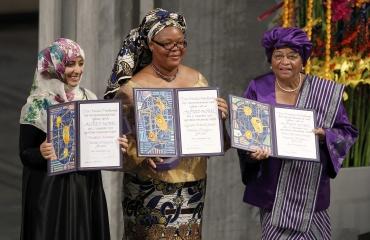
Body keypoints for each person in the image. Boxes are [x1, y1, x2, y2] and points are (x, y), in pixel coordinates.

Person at [104, 8, 229, 240]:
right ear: (151, 44)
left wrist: (220, 119)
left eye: (181, 43)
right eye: (168, 43)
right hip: (148, 186)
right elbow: (115, 141)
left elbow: (217, 141)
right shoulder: (132, 88)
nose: (176, 49)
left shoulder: (198, 80)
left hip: (192, 185)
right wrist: (140, 153)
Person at [237, 27, 358, 239]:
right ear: (270, 59)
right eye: (278, 56)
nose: (285, 62)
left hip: (310, 193)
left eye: (292, 56)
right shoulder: (257, 87)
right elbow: (246, 137)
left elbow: (346, 133)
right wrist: (252, 153)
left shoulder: (324, 92)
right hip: (273, 193)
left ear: (303, 60)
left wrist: (325, 135)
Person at [19, 38, 129, 240]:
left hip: (84, 188)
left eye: (80, 63)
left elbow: (97, 141)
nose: (77, 70)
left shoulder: (89, 98)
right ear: (55, 66)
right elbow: (25, 154)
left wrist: (115, 146)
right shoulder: (35, 106)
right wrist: (41, 153)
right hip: (50, 191)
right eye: (70, 64)